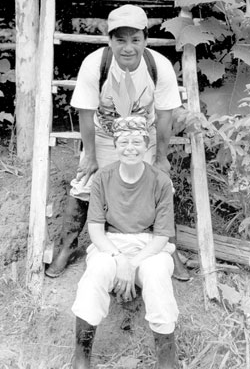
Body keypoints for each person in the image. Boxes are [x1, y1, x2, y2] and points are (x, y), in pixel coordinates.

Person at [45, 4, 190, 281]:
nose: (128, 48)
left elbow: (164, 116)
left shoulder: (158, 66)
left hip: (141, 135)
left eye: (135, 39)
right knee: (85, 182)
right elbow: (86, 114)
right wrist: (90, 156)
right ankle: (67, 246)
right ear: (109, 40)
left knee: (160, 185)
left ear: (145, 39)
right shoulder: (95, 64)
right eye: (120, 40)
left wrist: (160, 157)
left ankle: (168, 249)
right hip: (104, 134)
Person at [71, 115, 179, 369]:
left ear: (146, 145)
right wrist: (119, 258)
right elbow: (96, 230)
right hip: (110, 243)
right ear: (116, 145)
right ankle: (81, 360)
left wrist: (133, 264)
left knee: (156, 275)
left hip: (150, 245)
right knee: (96, 272)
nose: (130, 148)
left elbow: (162, 236)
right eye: (123, 142)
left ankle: (166, 361)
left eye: (136, 142)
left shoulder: (160, 181)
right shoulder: (103, 178)